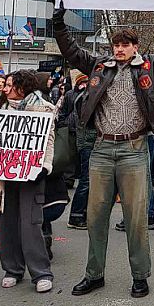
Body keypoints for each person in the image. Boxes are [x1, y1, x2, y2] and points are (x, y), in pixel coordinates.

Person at [52, 1, 154, 299]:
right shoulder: (101, 67)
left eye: (125, 45)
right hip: (102, 147)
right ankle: (94, 274)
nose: (119, 49)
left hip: (135, 147)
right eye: (116, 44)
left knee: (136, 217)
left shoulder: (151, 65)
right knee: (95, 215)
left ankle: (140, 276)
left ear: (135, 47)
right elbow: (72, 52)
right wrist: (59, 25)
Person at [0, 70, 57, 293]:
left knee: (31, 224)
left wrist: (45, 166)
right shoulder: (1, 109)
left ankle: (41, 272)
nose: (5, 89)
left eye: (10, 85)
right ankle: (12, 269)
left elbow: (49, 141)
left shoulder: (44, 109)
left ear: (23, 87)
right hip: (5, 176)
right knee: (7, 222)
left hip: (32, 174)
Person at [67, 74, 95, 230]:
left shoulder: (86, 97)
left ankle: (83, 213)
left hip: (89, 142)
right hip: (87, 143)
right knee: (86, 180)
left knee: (89, 181)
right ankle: (76, 215)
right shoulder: (84, 99)